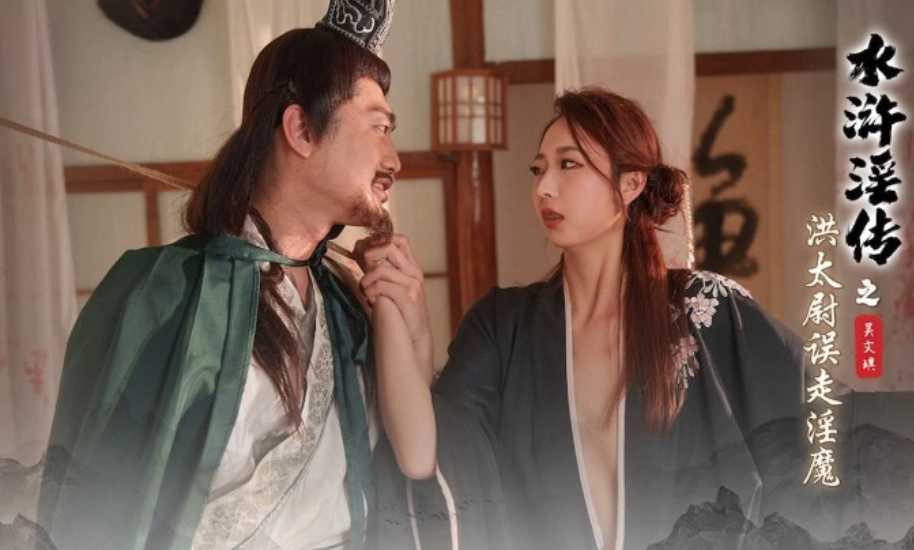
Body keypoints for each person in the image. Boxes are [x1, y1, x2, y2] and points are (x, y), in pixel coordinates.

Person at [36, 2, 432, 549]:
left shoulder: (344, 302)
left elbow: (412, 457)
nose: (394, 159)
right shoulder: (164, 291)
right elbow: (98, 497)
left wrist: (408, 320)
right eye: (379, 127)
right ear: (301, 129)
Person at [363, 88, 807, 550]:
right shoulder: (503, 325)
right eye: (539, 169)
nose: (544, 188)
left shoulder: (706, 309)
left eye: (568, 165)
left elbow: (827, 432)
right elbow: (421, 456)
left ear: (631, 185)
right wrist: (402, 315)